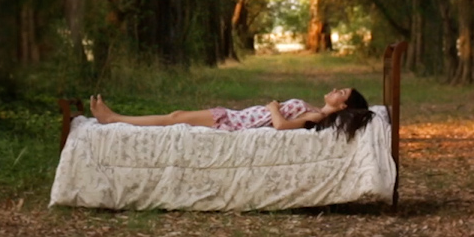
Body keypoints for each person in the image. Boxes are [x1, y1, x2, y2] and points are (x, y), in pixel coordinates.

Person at [87, 87, 375, 141]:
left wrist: (274, 106)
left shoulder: (316, 118)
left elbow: (280, 126)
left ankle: (112, 118)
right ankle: (113, 117)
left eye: (342, 93)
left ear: (343, 107)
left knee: (174, 117)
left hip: (234, 122)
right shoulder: (313, 109)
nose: (335, 89)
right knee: (175, 115)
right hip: (238, 115)